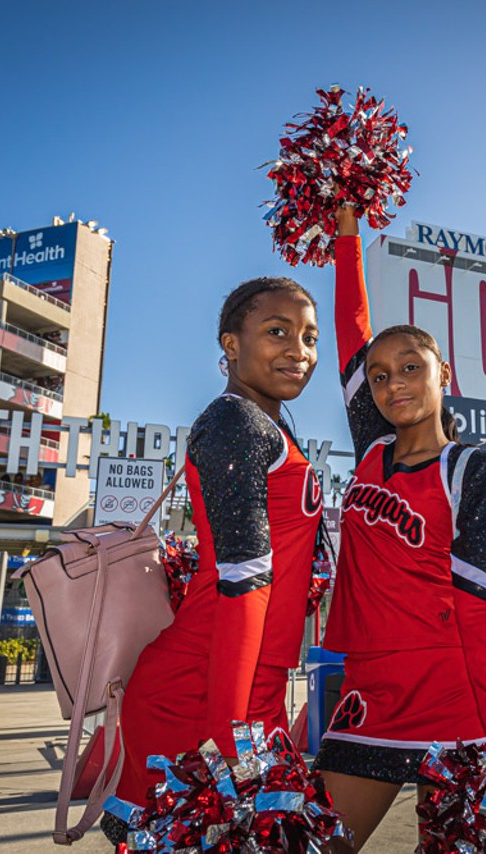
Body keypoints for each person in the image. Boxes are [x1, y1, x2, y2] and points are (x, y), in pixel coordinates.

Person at [316, 205, 486, 849]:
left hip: (455, 693)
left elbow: (482, 600)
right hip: (372, 688)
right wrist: (347, 226)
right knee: (320, 842)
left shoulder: (470, 468)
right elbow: (353, 333)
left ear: (443, 375)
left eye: (410, 368)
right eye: (379, 376)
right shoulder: (371, 451)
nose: (392, 383)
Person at [109, 277, 324, 831]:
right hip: (206, 692)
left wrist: (347, 229)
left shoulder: (269, 425)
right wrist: (237, 738)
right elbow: (242, 580)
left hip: (247, 682)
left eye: (309, 337)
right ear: (231, 344)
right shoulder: (235, 421)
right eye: (278, 332)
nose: (299, 351)